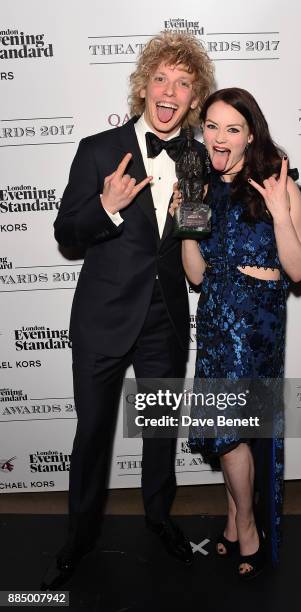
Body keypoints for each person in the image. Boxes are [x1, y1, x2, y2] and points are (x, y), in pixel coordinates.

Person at [44, 32, 214, 587]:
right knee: (91, 431)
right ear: (144, 86)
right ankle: (80, 534)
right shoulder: (98, 149)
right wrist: (106, 208)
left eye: (183, 83)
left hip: (166, 317)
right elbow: (67, 234)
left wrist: (195, 218)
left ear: (194, 97)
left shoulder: (198, 156)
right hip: (102, 318)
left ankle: (159, 518)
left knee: (161, 429)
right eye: (161, 79)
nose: (170, 92)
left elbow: (195, 239)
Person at [171, 87, 301, 578]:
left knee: (235, 434)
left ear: (251, 134)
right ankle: (234, 521)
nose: (219, 137)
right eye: (211, 126)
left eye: (232, 128)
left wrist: (278, 211)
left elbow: (296, 270)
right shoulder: (201, 187)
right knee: (228, 434)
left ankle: (248, 526)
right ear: (201, 130)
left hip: (255, 327)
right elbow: (195, 274)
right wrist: (187, 223)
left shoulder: (277, 183)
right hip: (215, 320)